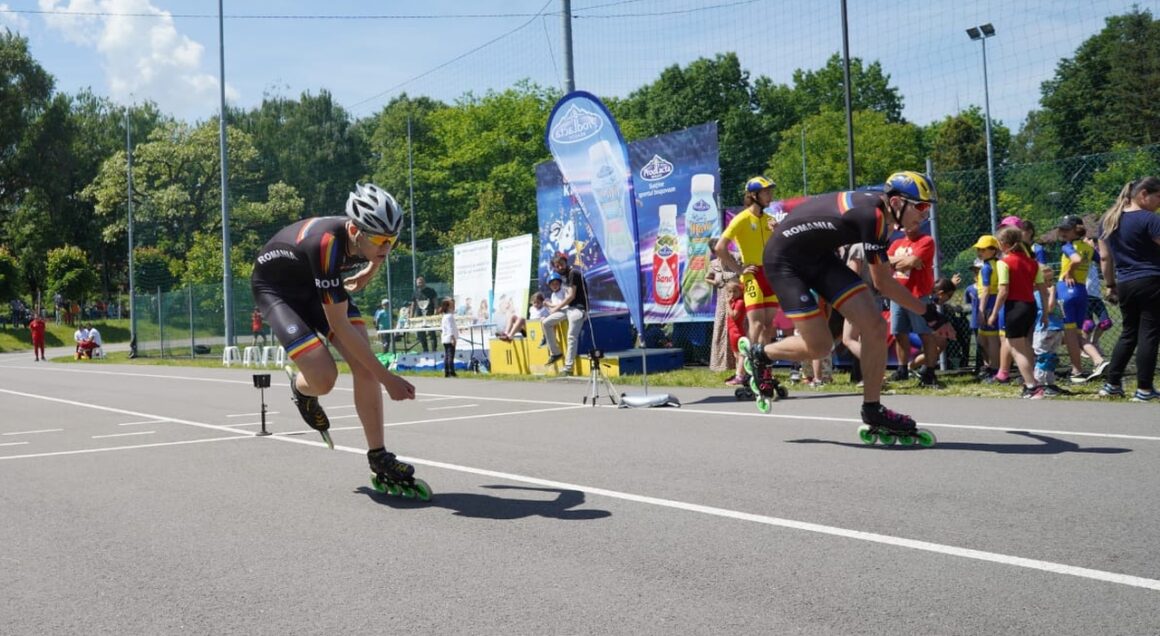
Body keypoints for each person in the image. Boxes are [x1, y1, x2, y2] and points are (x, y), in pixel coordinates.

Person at [743, 171, 947, 435]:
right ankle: (761, 354)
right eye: (920, 206)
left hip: (818, 256)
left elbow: (882, 283)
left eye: (927, 208)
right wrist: (930, 313)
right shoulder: (872, 217)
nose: (924, 214)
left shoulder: (881, 215)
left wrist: (928, 312)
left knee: (874, 325)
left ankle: (873, 409)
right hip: (785, 261)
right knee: (820, 346)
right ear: (896, 203)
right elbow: (883, 284)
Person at [250, 182, 420, 487]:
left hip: (317, 282)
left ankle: (378, 454)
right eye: (380, 240)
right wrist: (388, 379)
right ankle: (302, 390)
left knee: (362, 364)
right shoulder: (326, 244)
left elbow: (375, 254)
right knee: (325, 378)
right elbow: (339, 326)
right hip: (278, 291)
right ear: (355, 232)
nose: (386, 248)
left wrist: (368, 271)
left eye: (392, 240)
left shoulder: (368, 239)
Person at [1097, 177, 1160, 402]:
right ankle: (1144, 389)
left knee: (1129, 332)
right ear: (1143, 194)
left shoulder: (1108, 220)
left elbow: (1105, 257)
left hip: (1125, 283)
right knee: (1149, 334)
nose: (1158, 202)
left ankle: (1112, 384)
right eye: (1157, 197)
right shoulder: (1149, 219)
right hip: (1151, 280)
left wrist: (1110, 284)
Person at [714, 177, 780, 360]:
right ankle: (745, 367)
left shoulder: (771, 220)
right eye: (766, 192)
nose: (770, 195)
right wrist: (739, 269)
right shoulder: (741, 219)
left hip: (770, 275)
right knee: (757, 325)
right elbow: (720, 247)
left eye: (770, 191)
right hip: (753, 276)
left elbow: (782, 248)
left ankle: (762, 364)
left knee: (770, 326)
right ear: (753, 195)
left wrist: (778, 233)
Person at [988, 226, 1050, 399]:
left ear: (1004, 244)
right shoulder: (1033, 262)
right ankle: (1029, 383)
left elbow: (1003, 291)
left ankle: (1032, 386)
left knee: (1016, 350)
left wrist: (994, 313)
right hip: (1030, 306)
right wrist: (1044, 312)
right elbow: (1042, 290)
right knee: (1024, 346)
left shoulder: (1003, 263)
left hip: (1015, 308)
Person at [1054, 215, 1109, 383]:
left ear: (1074, 230)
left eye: (1065, 229)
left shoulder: (1068, 246)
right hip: (1081, 291)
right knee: (1077, 333)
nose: (1062, 232)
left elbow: (1076, 259)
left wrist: (1069, 272)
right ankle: (1098, 361)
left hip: (1066, 289)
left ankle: (1077, 371)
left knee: (1071, 334)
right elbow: (1104, 260)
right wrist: (1109, 282)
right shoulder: (1088, 247)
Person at [887, 222, 941, 387]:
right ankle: (902, 369)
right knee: (898, 332)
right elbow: (886, 262)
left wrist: (904, 262)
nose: (909, 226)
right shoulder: (896, 243)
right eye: (906, 224)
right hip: (897, 294)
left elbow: (912, 262)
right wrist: (905, 260)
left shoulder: (926, 241)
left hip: (918, 295)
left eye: (913, 223)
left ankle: (930, 372)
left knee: (925, 333)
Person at [542, 252, 588, 374]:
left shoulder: (573, 273)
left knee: (571, 336)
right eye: (557, 266)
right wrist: (554, 307)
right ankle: (556, 353)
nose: (560, 267)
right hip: (568, 308)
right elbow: (566, 299)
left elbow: (571, 297)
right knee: (546, 323)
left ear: (566, 262)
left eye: (561, 264)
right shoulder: (565, 277)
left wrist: (555, 309)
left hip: (578, 308)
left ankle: (568, 368)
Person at [1033, 265, 1070, 396]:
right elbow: (1048, 309)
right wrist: (1052, 293)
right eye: (1045, 281)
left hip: (1056, 328)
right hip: (1044, 329)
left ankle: (1050, 383)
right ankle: (1039, 384)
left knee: (1051, 357)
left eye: (1051, 280)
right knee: (1043, 357)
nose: (1049, 284)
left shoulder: (1050, 292)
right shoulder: (1039, 293)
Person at [705, 247, 740, 373]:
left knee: (738, 327)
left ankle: (740, 364)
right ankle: (720, 364)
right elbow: (707, 277)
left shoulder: (737, 258)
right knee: (721, 328)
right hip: (722, 301)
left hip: (738, 300)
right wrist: (715, 282)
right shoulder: (714, 264)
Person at [973, 235, 1003, 381]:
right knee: (983, 339)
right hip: (993, 300)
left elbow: (985, 290)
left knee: (991, 339)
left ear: (993, 250)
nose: (980, 252)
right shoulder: (998, 264)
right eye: (979, 249)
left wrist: (981, 310)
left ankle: (995, 369)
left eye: (984, 249)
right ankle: (992, 366)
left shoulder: (986, 268)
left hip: (988, 301)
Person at [723, 281, 747, 385]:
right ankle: (740, 374)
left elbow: (734, 315)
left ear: (740, 292)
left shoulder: (740, 302)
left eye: (735, 291)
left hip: (737, 332)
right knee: (736, 355)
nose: (732, 294)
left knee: (740, 355)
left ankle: (740, 376)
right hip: (732, 331)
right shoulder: (733, 302)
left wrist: (727, 303)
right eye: (730, 291)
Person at [409, 276, 438, 352]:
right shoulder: (415, 292)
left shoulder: (431, 291)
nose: (419, 283)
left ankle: (434, 349)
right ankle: (425, 349)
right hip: (419, 316)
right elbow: (413, 305)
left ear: (424, 282)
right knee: (421, 333)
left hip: (430, 315)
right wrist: (411, 316)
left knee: (432, 332)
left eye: (421, 282)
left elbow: (435, 302)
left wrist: (435, 312)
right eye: (418, 282)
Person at [439, 297, 458, 377]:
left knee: (447, 355)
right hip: (449, 338)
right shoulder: (449, 316)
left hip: (445, 338)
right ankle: (451, 371)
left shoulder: (445, 316)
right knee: (450, 356)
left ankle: (447, 371)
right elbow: (450, 328)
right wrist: (453, 338)